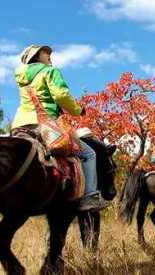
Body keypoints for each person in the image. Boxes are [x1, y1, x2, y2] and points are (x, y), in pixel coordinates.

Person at [11, 44, 109, 211]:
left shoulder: (21, 78)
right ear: (35, 56)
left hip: (20, 125)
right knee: (89, 154)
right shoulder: (50, 71)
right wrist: (78, 110)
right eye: (45, 52)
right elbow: (61, 95)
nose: (49, 54)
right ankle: (90, 197)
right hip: (46, 125)